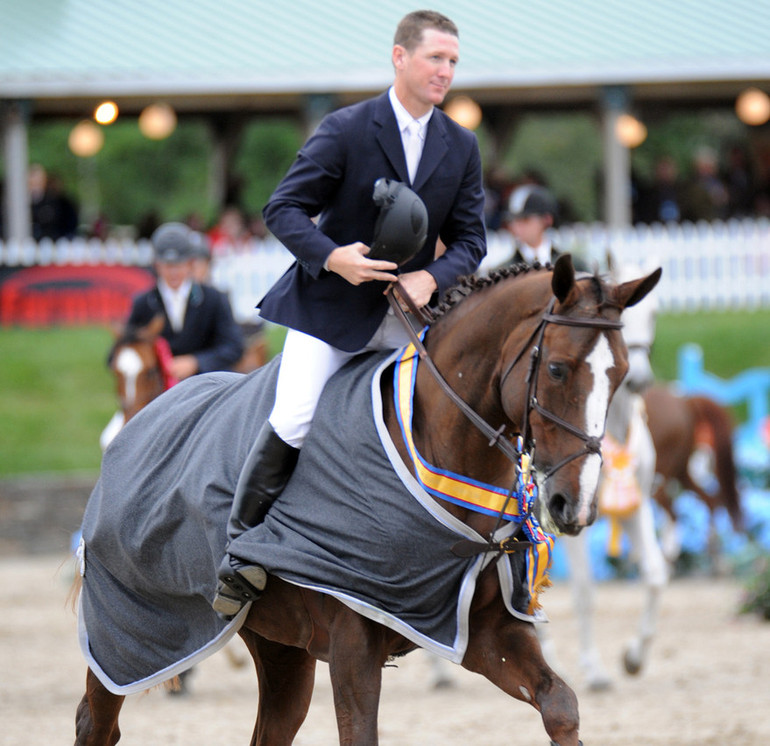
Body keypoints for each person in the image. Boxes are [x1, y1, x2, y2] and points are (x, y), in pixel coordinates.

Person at [212, 9, 487, 615]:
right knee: (298, 415)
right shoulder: (347, 128)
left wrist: (429, 276)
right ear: (400, 57)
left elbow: (471, 242)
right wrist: (333, 257)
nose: (445, 72)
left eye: (453, 62)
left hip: (408, 317)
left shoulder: (460, 145)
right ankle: (241, 553)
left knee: (448, 419)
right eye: (435, 58)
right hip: (331, 310)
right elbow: (283, 209)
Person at [127, 222, 244, 381]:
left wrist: (196, 362)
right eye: (167, 265)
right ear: (156, 265)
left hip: (207, 386)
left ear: (190, 263)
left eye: (179, 264)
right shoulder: (143, 303)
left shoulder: (214, 299)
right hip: (159, 391)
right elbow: (125, 349)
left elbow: (233, 347)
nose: (173, 272)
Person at [503, 184, 562, 266]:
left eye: (525, 220)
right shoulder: (505, 272)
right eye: (513, 221)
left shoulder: (571, 266)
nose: (516, 227)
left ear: (547, 219)